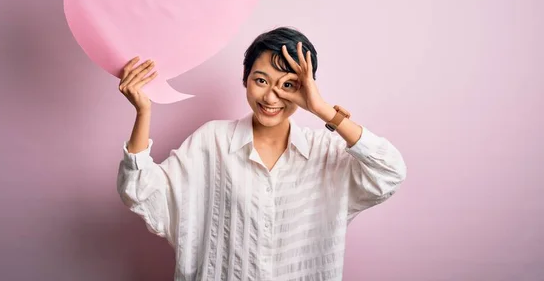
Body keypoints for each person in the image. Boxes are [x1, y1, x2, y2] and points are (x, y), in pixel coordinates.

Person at [117, 27, 406, 280]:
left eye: (288, 85)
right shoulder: (213, 140)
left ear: (307, 89)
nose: (271, 97)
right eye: (261, 80)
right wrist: (143, 111)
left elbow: (390, 172)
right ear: (246, 80)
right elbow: (142, 191)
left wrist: (324, 110)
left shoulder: (327, 152)